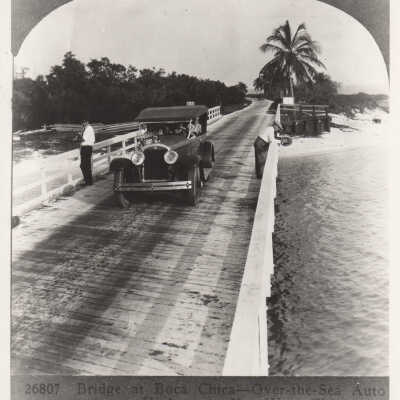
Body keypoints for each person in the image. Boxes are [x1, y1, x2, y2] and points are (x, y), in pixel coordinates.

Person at [80, 121, 95, 185]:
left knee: (83, 166)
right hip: (88, 148)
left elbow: (84, 139)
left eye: (83, 122)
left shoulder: (88, 129)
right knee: (87, 165)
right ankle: (89, 181)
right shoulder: (89, 128)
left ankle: (87, 181)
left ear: (86, 122)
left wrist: (79, 135)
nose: (82, 124)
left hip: (86, 148)